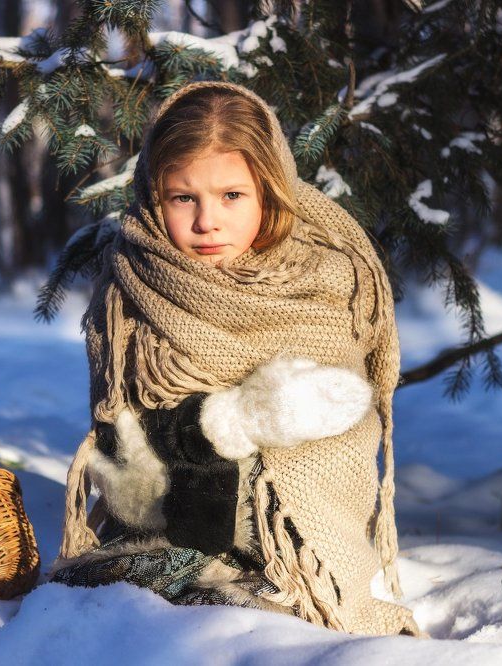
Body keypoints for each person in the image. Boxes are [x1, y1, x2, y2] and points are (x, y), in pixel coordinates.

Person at [46, 80, 422, 637]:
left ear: (269, 190)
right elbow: (118, 429)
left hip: (286, 528)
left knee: (254, 576)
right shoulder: (132, 281)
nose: (207, 221)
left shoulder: (317, 279)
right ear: (155, 194)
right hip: (166, 509)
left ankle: (267, 583)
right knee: (100, 581)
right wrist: (215, 425)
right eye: (183, 197)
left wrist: (261, 418)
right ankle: (188, 575)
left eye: (231, 196)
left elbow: (342, 424)